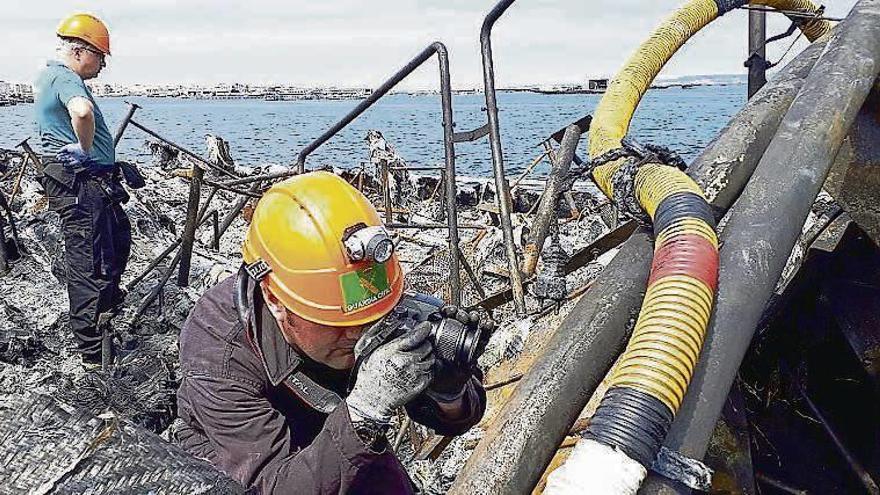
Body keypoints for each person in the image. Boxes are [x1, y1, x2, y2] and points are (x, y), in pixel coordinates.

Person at [175, 172, 488, 494]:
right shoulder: (219, 351)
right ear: (275, 300)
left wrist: (448, 392)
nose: (359, 335)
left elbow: (460, 419)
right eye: (336, 325)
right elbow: (274, 486)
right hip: (243, 461)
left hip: (338, 426)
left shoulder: (365, 296)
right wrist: (366, 411)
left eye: (372, 318)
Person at [34, 13, 131, 369]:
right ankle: (93, 349)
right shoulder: (64, 77)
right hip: (78, 181)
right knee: (89, 259)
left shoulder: (56, 76)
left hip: (90, 181)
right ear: (79, 51)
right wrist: (85, 148)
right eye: (100, 56)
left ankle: (106, 315)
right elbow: (82, 111)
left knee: (117, 239)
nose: (103, 65)